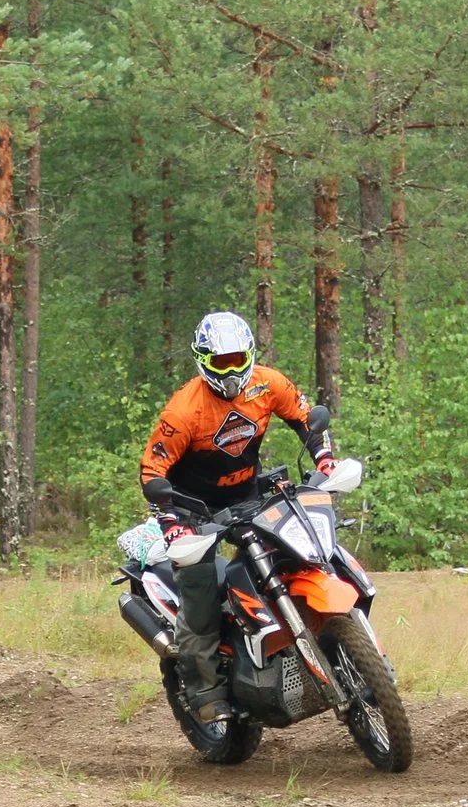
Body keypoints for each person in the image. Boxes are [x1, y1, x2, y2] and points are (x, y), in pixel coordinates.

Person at [138, 310, 333, 724]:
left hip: (249, 489)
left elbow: (305, 418)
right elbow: (152, 471)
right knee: (201, 594)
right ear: (202, 360)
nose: (231, 370)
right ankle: (204, 691)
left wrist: (324, 459)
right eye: (221, 362)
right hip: (192, 506)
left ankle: (326, 641)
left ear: (250, 355)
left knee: (303, 550)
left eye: (237, 359)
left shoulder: (268, 382)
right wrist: (171, 520)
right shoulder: (182, 411)